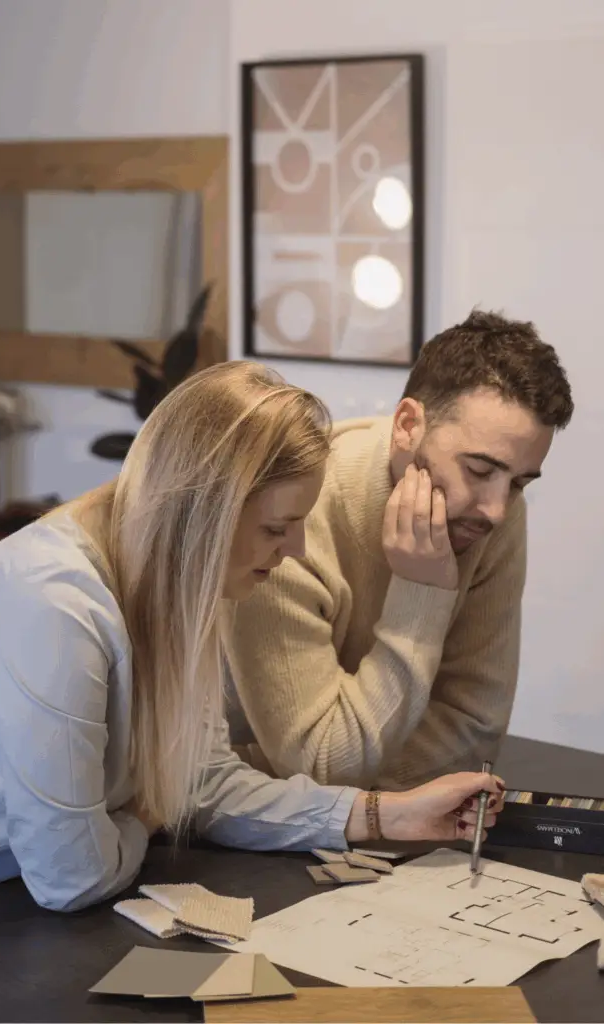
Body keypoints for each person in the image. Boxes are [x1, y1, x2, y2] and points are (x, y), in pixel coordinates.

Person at [0, 362, 504, 912]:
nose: (296, 549)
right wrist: (146, 814)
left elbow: (206, 782)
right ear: (203, 515)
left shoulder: (174, 579)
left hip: (1, 899)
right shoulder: (51, 608)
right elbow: (72, 877)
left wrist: (390, 815)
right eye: (277, 527)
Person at [224, 311, 574, 791]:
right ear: (408, 424)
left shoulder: (491, 513)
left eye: (519, 482)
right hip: (223, 830)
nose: (495, 510)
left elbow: (476, 725)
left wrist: (345, 777)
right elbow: (322, 764)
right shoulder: (290, 521)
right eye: (477, 470)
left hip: (364, 820)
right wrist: (421, 594)